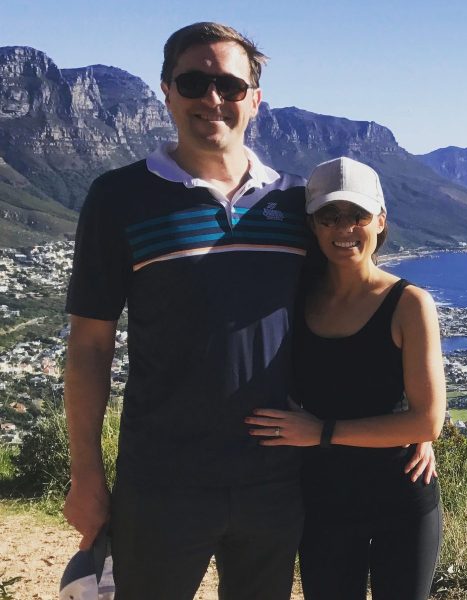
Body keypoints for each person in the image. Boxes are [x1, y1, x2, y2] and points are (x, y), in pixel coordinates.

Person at [63, 22, 310, 599]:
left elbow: (349, 315)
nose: (212, 98)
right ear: (167, 92)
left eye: (230, 85)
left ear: (255, 98)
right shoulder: (120, 197)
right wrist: (85, 472)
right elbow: (90, 345)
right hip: (163, 479)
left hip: (275, 479)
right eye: (194, 82)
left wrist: (412, 421)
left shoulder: (297, 201)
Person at [244, 157, 446, 600]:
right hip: (324, 502)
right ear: (312, 226)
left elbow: (428, 422)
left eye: (358, 215)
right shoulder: (296, 296)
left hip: (402, 499)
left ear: (381, 221)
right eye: (329, 216)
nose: (344, 228)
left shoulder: (409, 304)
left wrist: (322, 432)